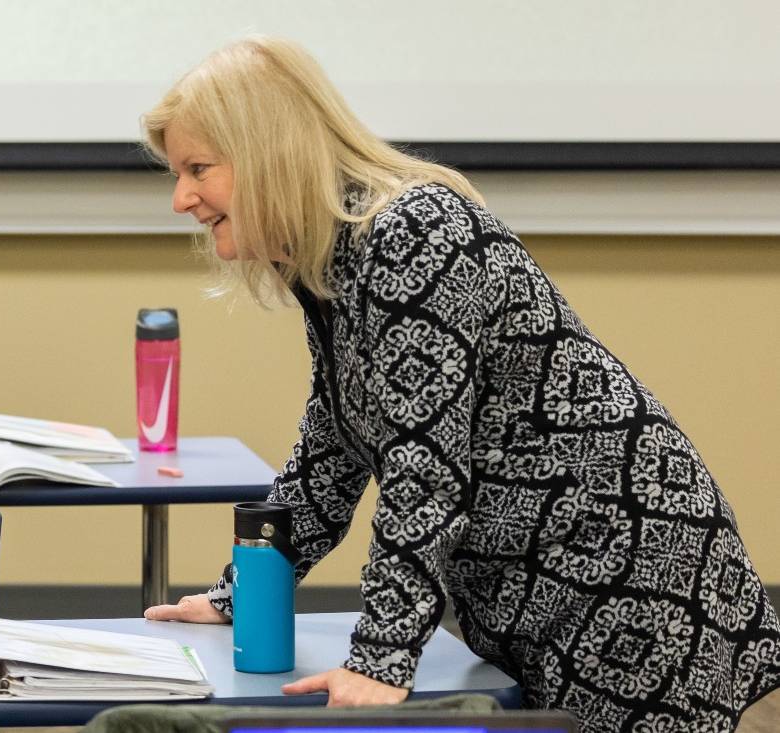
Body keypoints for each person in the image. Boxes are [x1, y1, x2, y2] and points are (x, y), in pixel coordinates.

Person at [136, 36, 780, 731]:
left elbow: (423, 467)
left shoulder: (413, 234)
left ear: (268, 152)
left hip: (630, 584)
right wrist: (240, 594)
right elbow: (329, 456)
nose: (181, 198)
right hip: (545, 596)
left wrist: (381, 657)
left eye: (199, 168)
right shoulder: (335, 260)